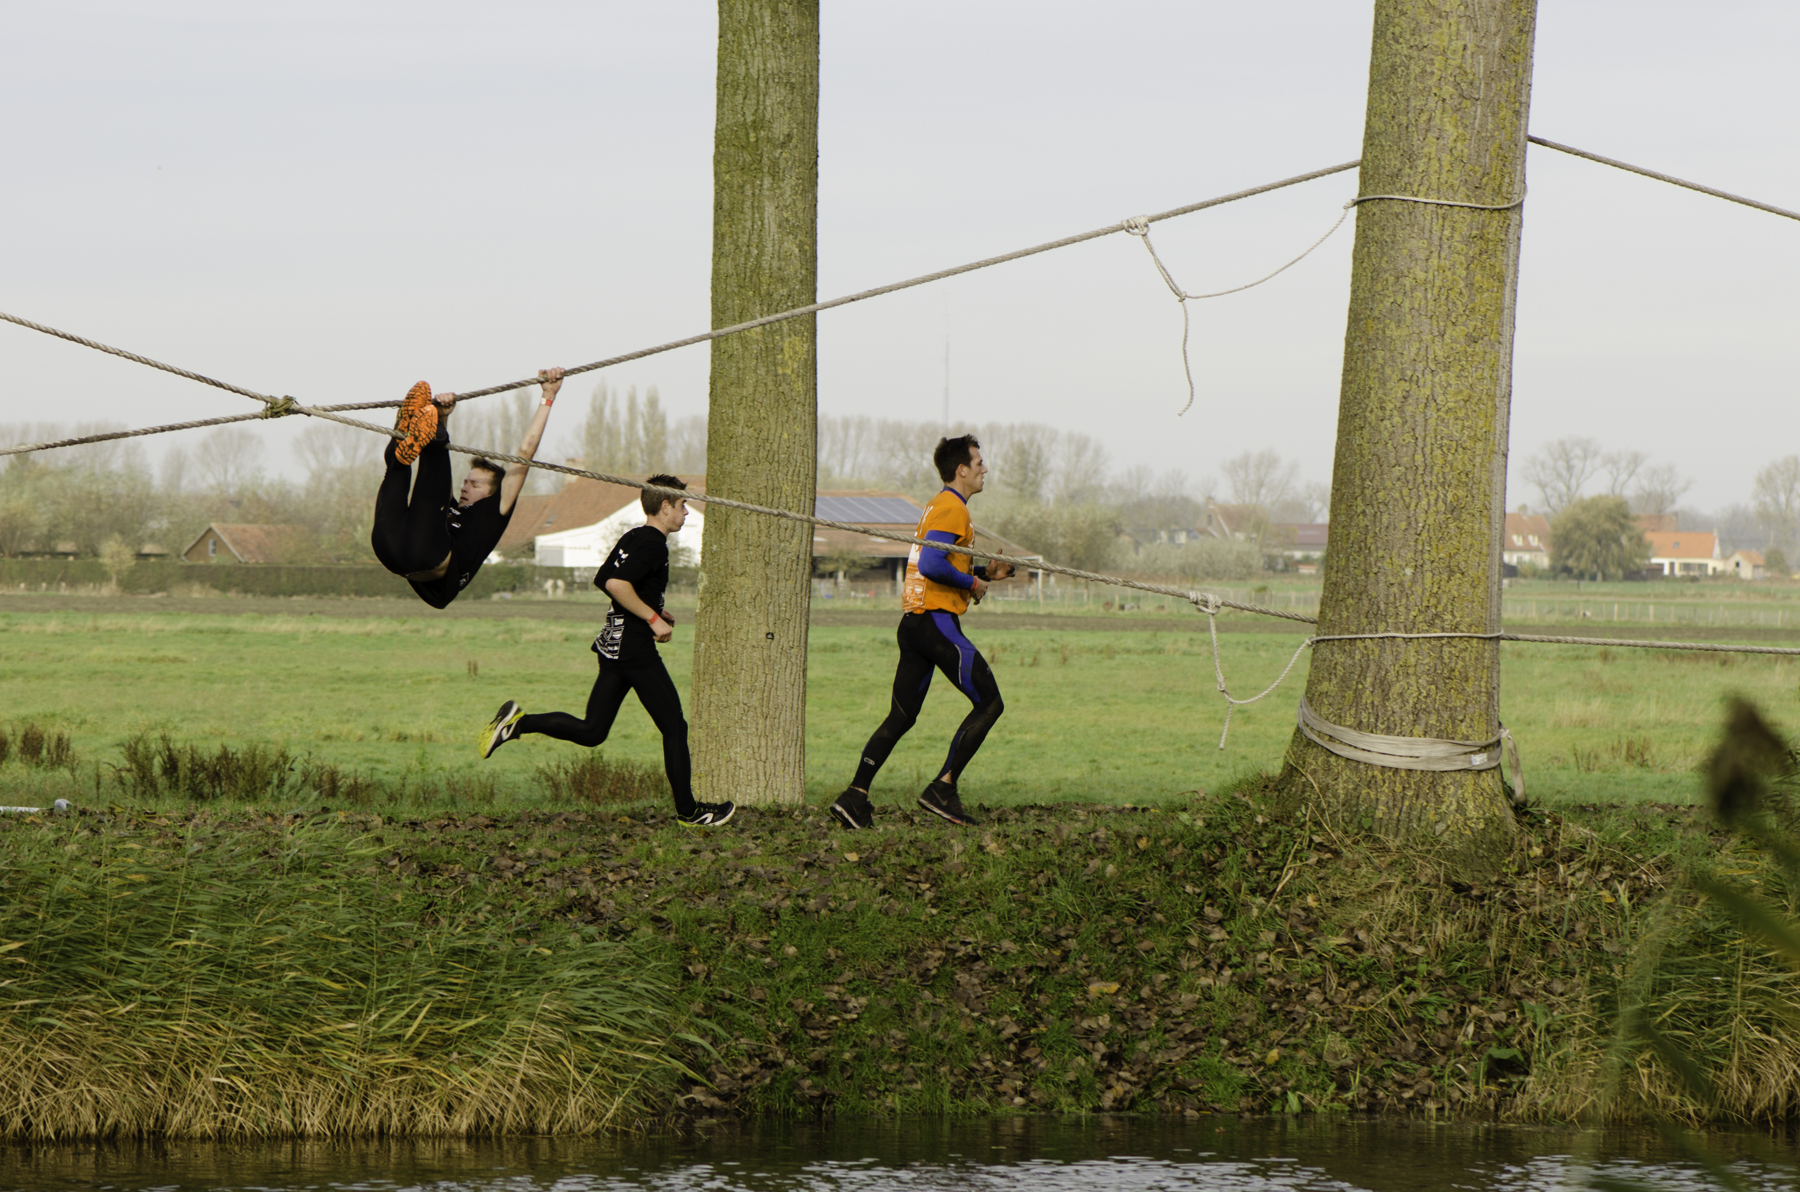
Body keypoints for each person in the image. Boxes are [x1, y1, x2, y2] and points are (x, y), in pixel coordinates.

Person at [478, 474, 736, 829]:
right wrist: (651, 618)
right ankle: (690, 813)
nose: (686, 512)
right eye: (682, 505)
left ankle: (517, 724)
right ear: (665, 507)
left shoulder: (634, 536)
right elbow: (616, 583)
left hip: (613, 644)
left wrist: (653, 609)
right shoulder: (654, 544)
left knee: (593, 731)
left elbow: (603, 579)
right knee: (675, 728)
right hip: (633, 650)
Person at [831, 435, 1014, 830]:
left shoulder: (938, 505)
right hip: (935, 623)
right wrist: (973, 584)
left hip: (914, 624)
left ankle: (854, 797)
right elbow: (931, 565)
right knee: (990, 704)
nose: (985, 468)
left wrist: (982, 572)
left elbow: (939, 563)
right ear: (961, 470)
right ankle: (941, 790)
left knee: (901, 716)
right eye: (979, 462)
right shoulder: (952, 508)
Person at [370, 368, 561, 609]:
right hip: (388, 547)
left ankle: (434, 436)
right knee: (396, 471)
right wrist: (443, 415)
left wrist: (548, 397)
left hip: (426, 556)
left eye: (474, 484)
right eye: (466, 482)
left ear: (493, 492)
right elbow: (436, 489)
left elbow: (526, 452)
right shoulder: (448, 510)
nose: (464, 487)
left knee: (434, 476)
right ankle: (408, 437)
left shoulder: (495, 510)